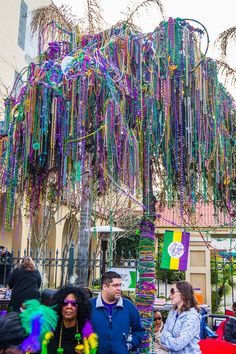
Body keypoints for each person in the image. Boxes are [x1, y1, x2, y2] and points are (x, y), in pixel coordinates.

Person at [90, 271, 145, 354]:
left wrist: (129, 346)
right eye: (115, 285)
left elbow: (138, 330)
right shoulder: (90, 305)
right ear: (105, 286)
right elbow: (81, 328)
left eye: (120, 285)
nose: (119, 288)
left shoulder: (128, 306)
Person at [47, 284, 98, 354]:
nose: (69, 306)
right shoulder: (51, 331)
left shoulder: (87, 334)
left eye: (73, 303)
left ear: (80, 307)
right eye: (65, 303)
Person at [159, 281, 201, 354]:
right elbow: (162, 335)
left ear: (183, 294)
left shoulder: (191, 317)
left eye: (172, 292)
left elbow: (177, 345)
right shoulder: (172, 312)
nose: (170, 296)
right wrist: (171, 338)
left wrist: (167, 336)